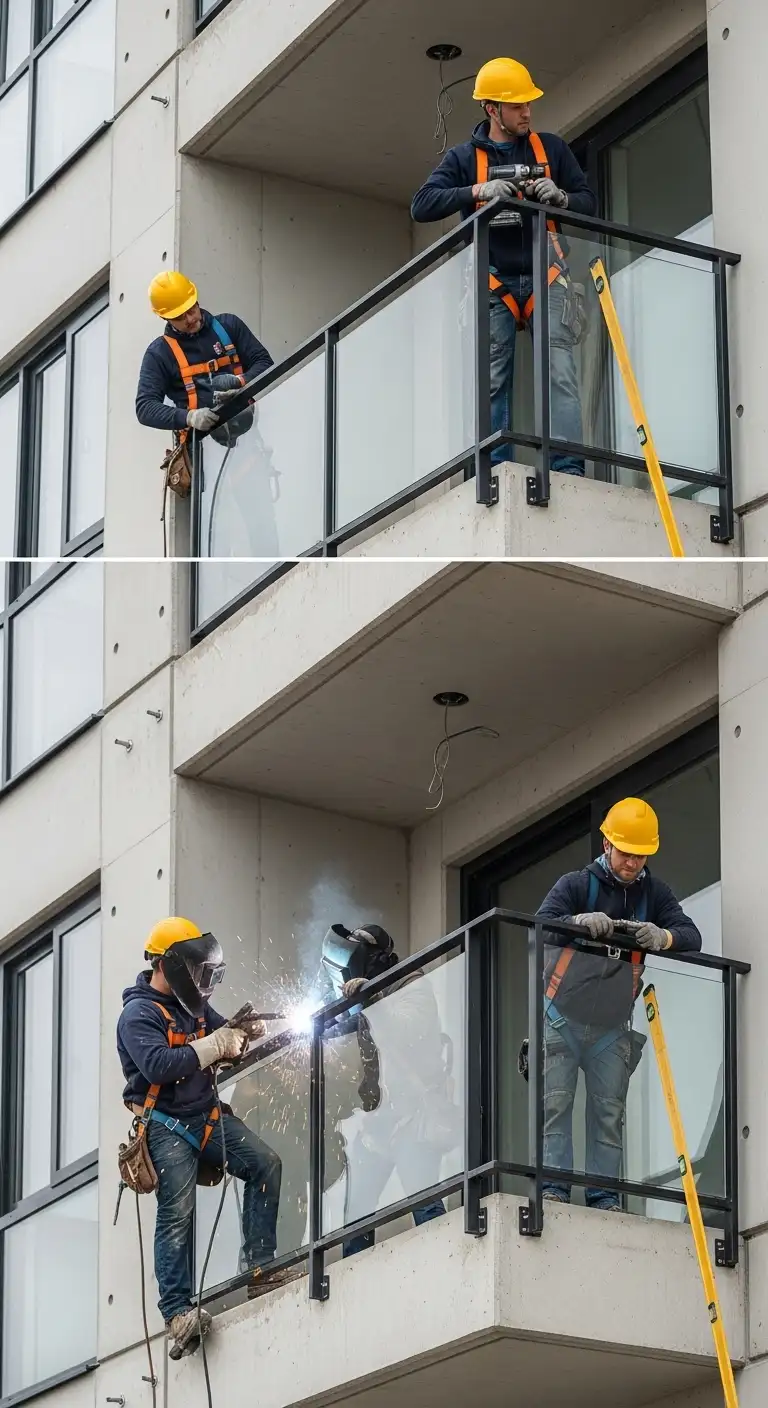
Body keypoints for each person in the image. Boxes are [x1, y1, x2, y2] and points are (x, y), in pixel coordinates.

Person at [116, 917, 298, 1362]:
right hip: (165, 1125)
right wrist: (217, 1044)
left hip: (206, 1116)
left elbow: (221, 1031)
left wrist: (243, 1033)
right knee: (178, 1213)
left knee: (265, 1163)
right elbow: (159, 1066)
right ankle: (177, 1312)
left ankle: (260, 1268)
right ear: (169, 964)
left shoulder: (192, 1003)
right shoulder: (138, 1014)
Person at [411, 56, 597, 476]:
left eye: (528, 104)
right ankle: (494, 471)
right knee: (493, 379)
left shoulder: (550, 150)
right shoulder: (464, 159)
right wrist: (479, 189)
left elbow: (589, 203)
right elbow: (421, 205)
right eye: (517, 106)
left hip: (547, 274)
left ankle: (568, 470)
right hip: (493, 282)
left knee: (561, 375)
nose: (527, 112)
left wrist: (562, 198)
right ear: (491, 110)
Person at [535, 798, 702, 1210]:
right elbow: (540, 926)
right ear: (607, 844)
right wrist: (576, 923)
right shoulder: (577, 885)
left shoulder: (653, 894)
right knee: (555, 1106)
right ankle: (553, 1191)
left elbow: (690, 935)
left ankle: (604, 1198)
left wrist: (663, 938)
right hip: (562, 1018)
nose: (632, 862)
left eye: (640, 855)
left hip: (611, 1026)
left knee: (608, 1117)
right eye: (627, 852)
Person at [321, 924, 454, 1256]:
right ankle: (353, 1283)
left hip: (414, 1117)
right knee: (356, 1218)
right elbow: (347, 1035)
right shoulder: (364, 1001)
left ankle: (447, 1266)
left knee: (425, 1206)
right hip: (379, 1122)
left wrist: (372, 998)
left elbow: (404, 1029)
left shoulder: (413, 987)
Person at [136, 271, 272, 440]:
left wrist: (241, 383)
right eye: (180, 316)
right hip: (201, 449)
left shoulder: (228, 326)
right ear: (165, 317)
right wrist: (189, 417)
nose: (190, 319)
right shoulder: (160, 354)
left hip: (250, 434)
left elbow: (264, 362)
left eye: (191, 309)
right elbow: (145, 407)